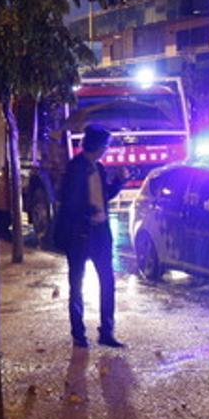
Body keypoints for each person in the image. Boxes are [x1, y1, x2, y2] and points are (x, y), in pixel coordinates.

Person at [53, 125, 126, 348]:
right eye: (105, 145)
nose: (107, 150)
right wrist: (87, 213)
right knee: (77, 283)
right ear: (96, 145)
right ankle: (79, 334)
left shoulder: (100, 168)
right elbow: (67, 202)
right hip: (79, 235)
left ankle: (107, 331)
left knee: (108, 281)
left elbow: (104, 196)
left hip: (101, 233)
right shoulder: (75, 168)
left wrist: (119, 182)